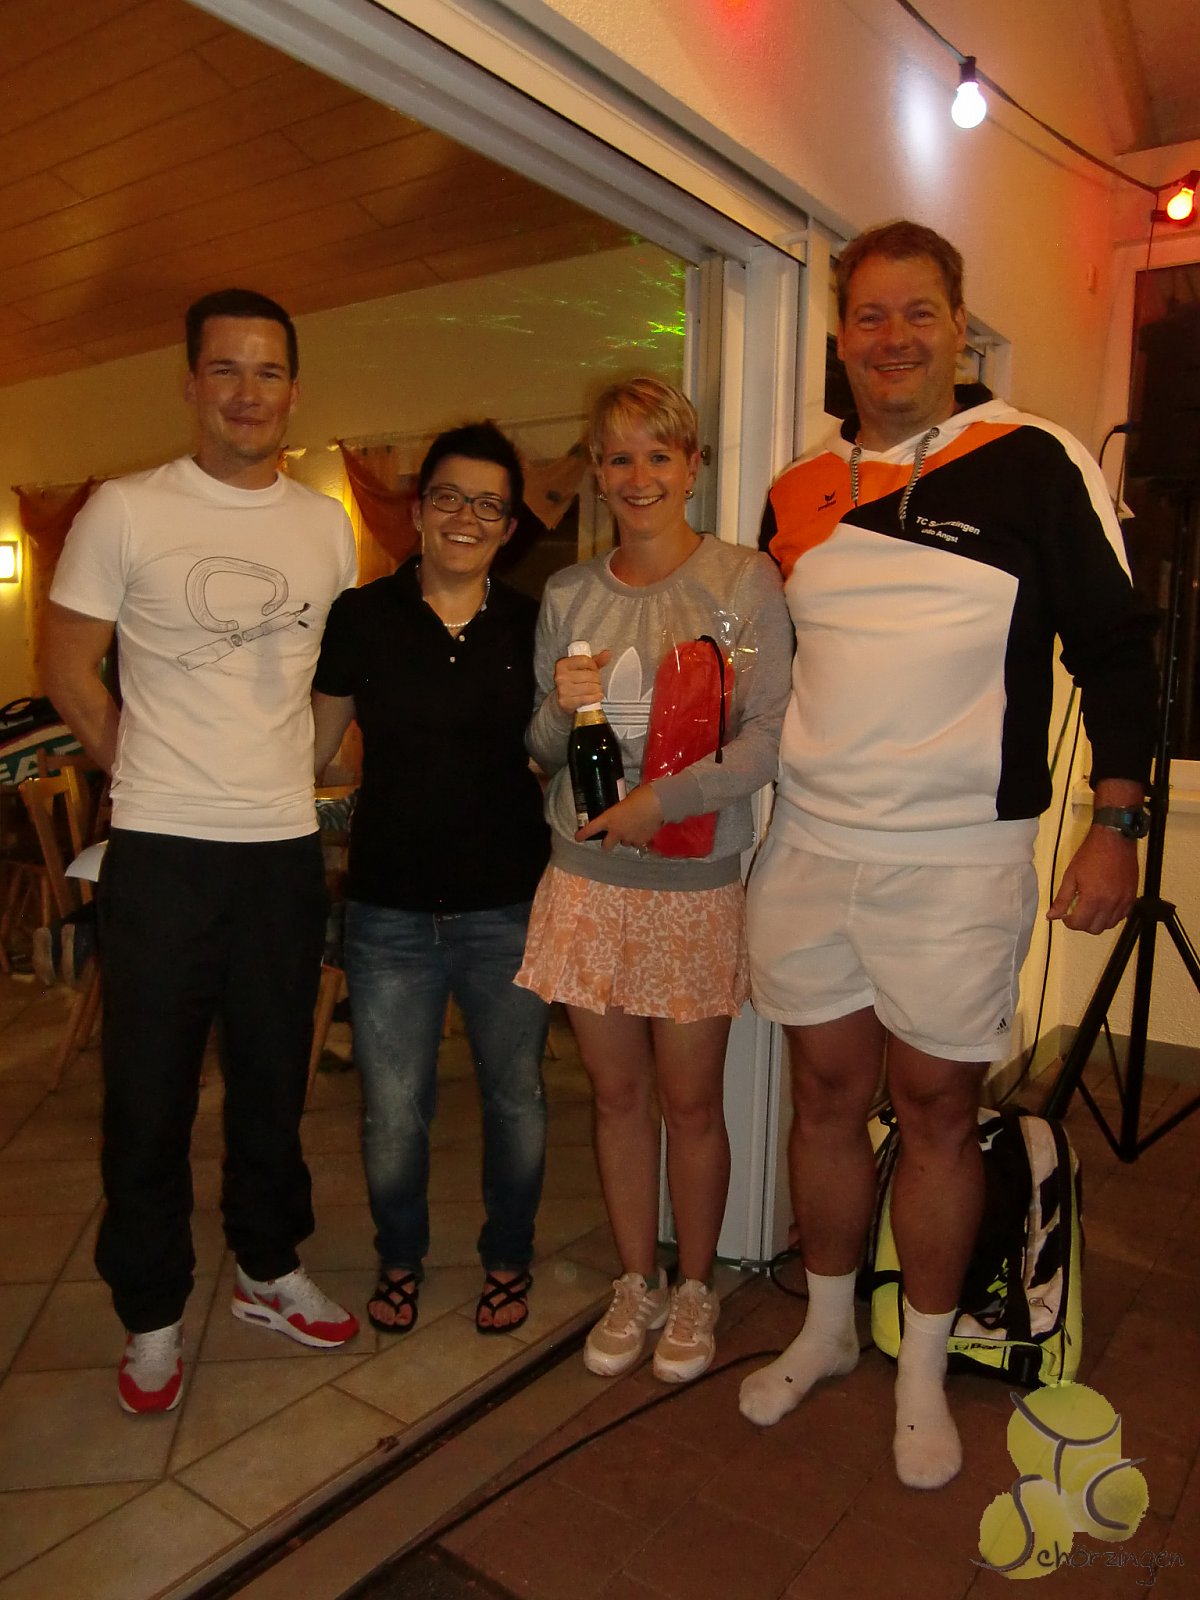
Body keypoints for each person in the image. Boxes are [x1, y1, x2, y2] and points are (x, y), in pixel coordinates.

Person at [740, 221, 1157, 1487]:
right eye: (870, 315)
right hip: (812, 840)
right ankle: (827, 1329)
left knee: (934, 1108)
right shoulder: (797, 491)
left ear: (958, 328)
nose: (894, 338)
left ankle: (920, 1365)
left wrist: (1117, 824)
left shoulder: (1033, 457)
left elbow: (1117, 648)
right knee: (822, 1097)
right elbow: (778, 664)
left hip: (961, 853)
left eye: (919, 313)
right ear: (841, 336)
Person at [44, 288, 361, 1415]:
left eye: (267, 371)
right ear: (190, 383)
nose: (247, 393)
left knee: (272, 1085)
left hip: (279, 852)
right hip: (163, 852)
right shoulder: (127, 509)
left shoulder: (327, 525)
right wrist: (143, 766)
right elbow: (67, 663)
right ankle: (150, 1314)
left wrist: (294, 775)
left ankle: (269, 1268)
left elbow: (328, 679)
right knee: (150, 1100)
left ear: (293, 390)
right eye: (225, 369)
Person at [517, 376, 793, 1384]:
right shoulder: (567, 594)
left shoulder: (743, 581)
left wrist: (661, 804)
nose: (639, 476)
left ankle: (696, 1285)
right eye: (619, 457)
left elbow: (767, 737)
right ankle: (634, 1281)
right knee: (616, 1094)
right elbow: (542, 748)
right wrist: (559, 706)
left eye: (659, 455)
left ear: (693, 467)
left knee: (692, 1102)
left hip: (691, 881)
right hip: (586, 879)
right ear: (597, 471)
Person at [311, 422, 551, 1336]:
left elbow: (557, 753)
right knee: (393, 1112)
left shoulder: (534, 623)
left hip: (508, 903)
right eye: (449, 496)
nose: (466, 517)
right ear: (418, 510)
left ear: (509, 527)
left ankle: (509, 1257)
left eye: (489, 505)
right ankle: (400, 1255)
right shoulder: (361, 615)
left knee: (516, 1100)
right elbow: (314, 747)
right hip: (389, 909)